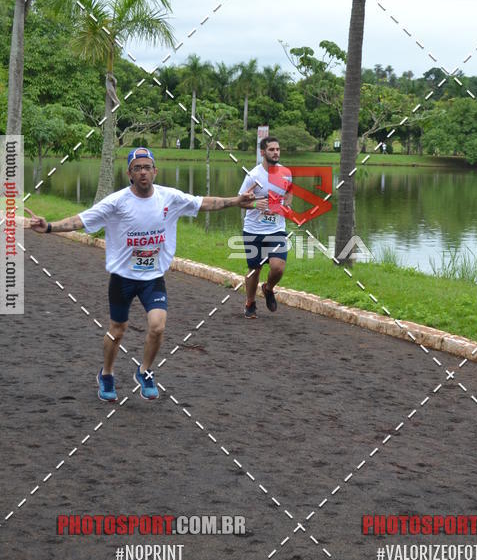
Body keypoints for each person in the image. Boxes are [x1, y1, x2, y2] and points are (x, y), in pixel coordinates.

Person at [27, 147, 256, 402]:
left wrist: (236, 201)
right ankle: (107, 373)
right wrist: (49, 227)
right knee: (118, 330)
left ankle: (144, 371)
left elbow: (203, 203)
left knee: (158, 327)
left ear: (155, 171)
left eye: (147, 167)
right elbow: (81, 220)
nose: (143, 172)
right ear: (129, 174)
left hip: (153, 278)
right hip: (123, 278)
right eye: (137, 168)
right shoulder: (117, 202)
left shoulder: (169, 197)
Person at [238, 136, 292, 319]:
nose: (276, 152)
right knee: (255, 269)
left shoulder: (286, 173)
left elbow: (289, 192)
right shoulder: (253, 176)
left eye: (277, 149)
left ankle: (268, 289)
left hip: (276, 229)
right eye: (271, 150)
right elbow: (240, 201)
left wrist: (287, 206)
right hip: (253, 230)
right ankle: (250, 303)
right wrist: (254, 204)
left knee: (278, 267)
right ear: (263, 152)